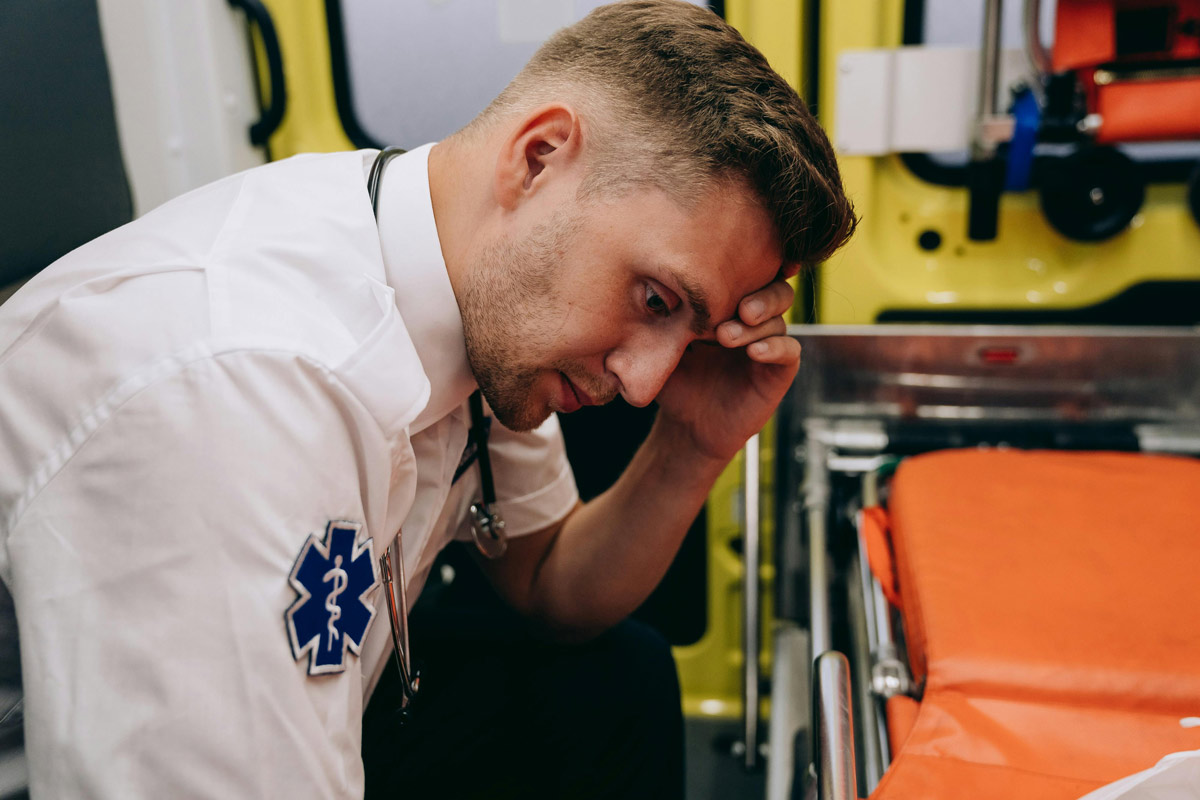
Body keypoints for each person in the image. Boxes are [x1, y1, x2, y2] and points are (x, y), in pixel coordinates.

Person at [0, 0, 856, 796]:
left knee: (612, 680)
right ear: (538, 157)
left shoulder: (462, 275)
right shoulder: (237, 392)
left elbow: (549, 582)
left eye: (690, 335)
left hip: (338, 698)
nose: (645, 383)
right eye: (656, 300)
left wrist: (691, 445)